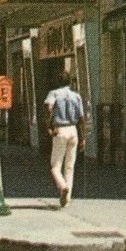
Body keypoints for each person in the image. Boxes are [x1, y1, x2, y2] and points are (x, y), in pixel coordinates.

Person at [43, 71, 87, 208]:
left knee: (55, 166)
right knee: (70, 166)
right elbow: (81, 118)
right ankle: (66, 199)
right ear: (69, 82)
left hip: (60, 130)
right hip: (73, 130)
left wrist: (49, 125)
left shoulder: (53, 93)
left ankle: (62, 187)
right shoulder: (76, 96)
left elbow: (48, 107)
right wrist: (83, 137)